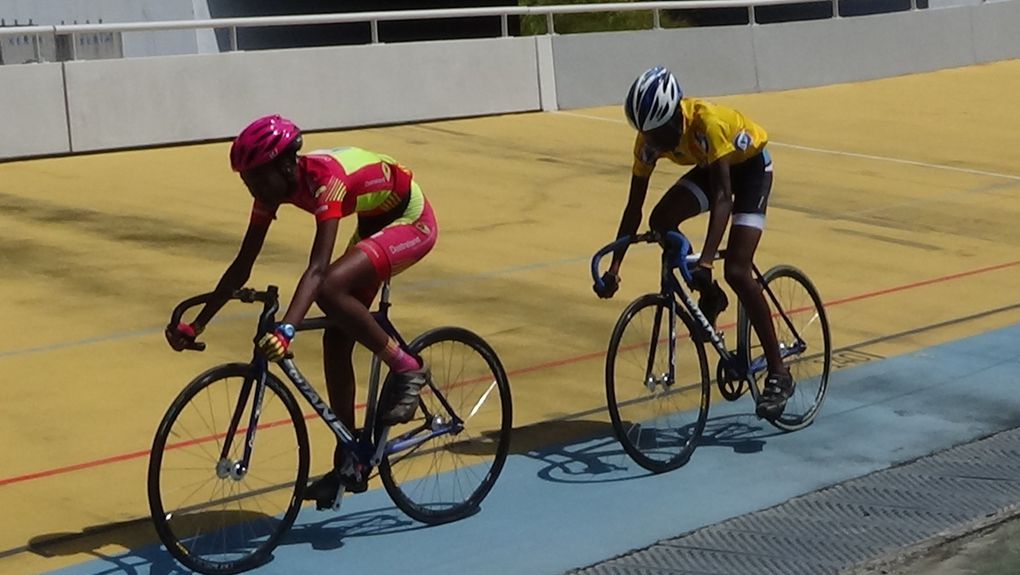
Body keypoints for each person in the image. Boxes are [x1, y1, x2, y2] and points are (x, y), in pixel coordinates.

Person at [164, 114, 439, 503]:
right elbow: (243, 264)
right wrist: (199, 323)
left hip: (411, 221)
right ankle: (351, 458)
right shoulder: (271, 190)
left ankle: (407, 367)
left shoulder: (328, 182)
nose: (253, 190)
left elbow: (317, 269)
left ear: (287, 164)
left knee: (330, 290)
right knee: (336, 336)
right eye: (247, 183)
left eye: (257, 180)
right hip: (374, 221)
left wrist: (287, 329)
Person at [594, 66, 793, 420]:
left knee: (737, 268)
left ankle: (779, 372)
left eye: (659, 135)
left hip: (749, 170)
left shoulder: (708, 123)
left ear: (674, 116)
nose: (653, 144)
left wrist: (705, 262)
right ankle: (711, 295)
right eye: (647, 136)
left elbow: (723, 198)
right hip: (711, 165)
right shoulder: (647, 142)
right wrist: (615, 265)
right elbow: (634, 208)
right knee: (660, 220)